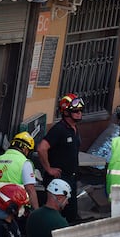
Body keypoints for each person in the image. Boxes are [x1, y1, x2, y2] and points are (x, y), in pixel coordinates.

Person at [38, 93, 84, 223]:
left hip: (71, 177)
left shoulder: (74, 128)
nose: (79, 113)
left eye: (81, 110)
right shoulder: (59, 129)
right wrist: (49, 169)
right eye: (75, 111)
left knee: (71, 213)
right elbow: (41, 148)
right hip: (59, 179)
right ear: (66, 113)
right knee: (58, 214)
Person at [0, 131, 38, 210]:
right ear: (25, 149)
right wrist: (36, 211)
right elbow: (30, 189)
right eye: (28, 151)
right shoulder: (24, 163)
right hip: (16, 207)